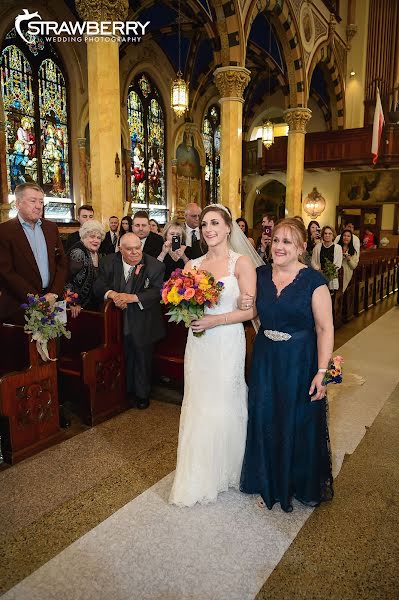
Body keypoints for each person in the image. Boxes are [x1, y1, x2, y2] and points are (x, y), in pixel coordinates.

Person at [240, 218, 334, 513]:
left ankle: (295, 482)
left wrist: (322, 372)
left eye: (287, 242)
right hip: (267, 358)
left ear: (301, 248)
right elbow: (252, 309)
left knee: (296, 419)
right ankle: (266, 478)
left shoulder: (313, 281)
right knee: (266, 415)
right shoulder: (260, 273)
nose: (279, 246)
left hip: (300, 359)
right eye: (276, 240)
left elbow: (325, 329)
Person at [169, 204, 258, 507]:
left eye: (215, 223)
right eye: (205, 224)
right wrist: (187, 313)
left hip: (227, 340)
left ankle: (229, 467)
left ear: (228, 227)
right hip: (200, 342)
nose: (209, 229)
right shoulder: (193, 265)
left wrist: (216, 320)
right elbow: (184, 304)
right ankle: (200, 470)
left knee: (224, 400)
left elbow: (251, 309)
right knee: (199, 401)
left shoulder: (241, 263)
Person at [93, 233, 165, 410]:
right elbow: (99, 285)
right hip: (116, 320)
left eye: (138, 248)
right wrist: (113, 295)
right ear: (120, 249)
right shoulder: (109, 262)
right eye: (129, 249)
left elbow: (157, 292)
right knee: (120, 355)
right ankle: (121, 392)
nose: (135, 252)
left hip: (144, 319)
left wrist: (131, 297)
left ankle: (142, 395)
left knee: (142, 358)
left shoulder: (155, 266)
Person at [0, 182, 67, 324]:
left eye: (41, 201)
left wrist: (54, 294)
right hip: (18, 307)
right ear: (18, 204)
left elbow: (62, 263)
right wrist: (36, 299)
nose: (38, 206)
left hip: (51, 304)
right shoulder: (4, 232)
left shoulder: (51, 228)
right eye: (33, 201)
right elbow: (6, 272)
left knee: (53, 345)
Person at [65, 220, 105, 313]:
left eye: (98, 238)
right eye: (92, 237)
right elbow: (65, 279)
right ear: (84, 236)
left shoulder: (96, 253)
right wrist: (72, 302)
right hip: (77, 308)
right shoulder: (78, 252)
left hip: (91, 305)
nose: (96, 240)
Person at [311, 225, 343, 291]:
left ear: (333, 235)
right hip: (319, 276)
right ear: (322, 235)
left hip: (332, 278)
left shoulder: (338, 248)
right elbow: (313, 261)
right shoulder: (317, 247)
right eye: (325, 233)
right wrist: (319, 270)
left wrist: (328, 272)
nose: (327, 235)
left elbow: (338, 264)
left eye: (330, 233)